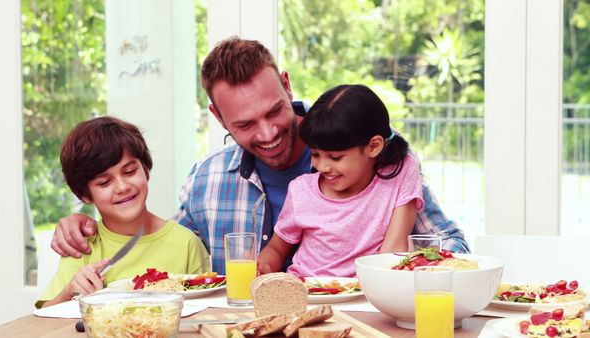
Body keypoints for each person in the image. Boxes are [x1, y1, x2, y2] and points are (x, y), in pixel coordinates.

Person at [50, 37, 470, 275]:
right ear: (218, 118)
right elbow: (161, 247)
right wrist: (86, 222)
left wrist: (400, 270)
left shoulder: (372, 156)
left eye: (274, 111)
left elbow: (452, 247)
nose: (268, 134)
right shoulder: (207, 180)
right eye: (246, 125)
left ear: (286, 85)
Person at [36, 116, 210, 308]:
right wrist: (70, 291)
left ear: (145, 170)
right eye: (104, 182)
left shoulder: (185, 244)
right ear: (85, 195)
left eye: (129, 172)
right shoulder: (82, 246)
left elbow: (203, 313)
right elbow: (45, 317)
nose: (122, 187)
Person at [257, 84, 423, 277]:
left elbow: (394, 250)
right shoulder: (301, 190)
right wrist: (264, 266)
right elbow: (277, 248)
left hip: (367, 294)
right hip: (306, 293)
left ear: (374, 146)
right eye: (315, 154)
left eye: (335, 158)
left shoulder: (402, 171)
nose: (322, 167)